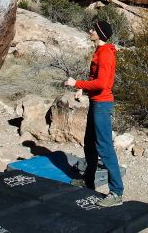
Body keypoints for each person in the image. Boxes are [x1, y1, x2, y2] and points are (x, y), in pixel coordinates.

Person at [63, 20, 124, 207]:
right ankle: (88, 181)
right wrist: (85, 90)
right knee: (89, 143)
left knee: (104, 147)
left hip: (103, 105)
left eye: (93, 29)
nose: (90, 30)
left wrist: (77, 84)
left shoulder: (105, 53)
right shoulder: (99, 51)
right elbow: (94, 79)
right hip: (96, 102)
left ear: (99, 33)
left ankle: (116, 192)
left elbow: (102, 84)